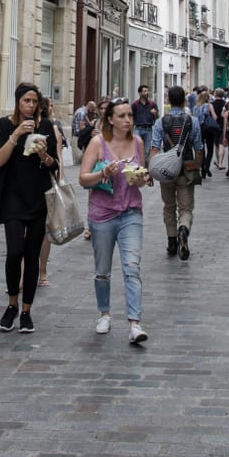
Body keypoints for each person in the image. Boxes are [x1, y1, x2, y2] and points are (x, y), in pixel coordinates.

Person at [79, 98, 151, 344]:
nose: (128, 120)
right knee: (102, 270)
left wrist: (141, 178)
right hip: (102, 213)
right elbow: (83, 179)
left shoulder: (138, 142)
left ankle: (135, 323)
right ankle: (104, 313)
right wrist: (103, 173)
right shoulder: (98, 143)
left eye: (130, 115)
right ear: (110, 119)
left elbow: (144, 176)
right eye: (122, 116)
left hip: (131, 211)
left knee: (132, 267)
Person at [0, 83, 59, 333]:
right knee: (14, 253)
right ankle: (11, 303)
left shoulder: (46, 127)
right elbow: (0, 160)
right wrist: (17, 134)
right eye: (26, 101)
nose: (30, 106)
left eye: (34, 101)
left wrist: (43, 155)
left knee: (32, 257)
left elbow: (54, 166)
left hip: (37, 198)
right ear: (18, 102)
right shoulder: (4, 125)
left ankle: (26, 310)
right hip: (12, 197)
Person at [149, 85, 203, 261]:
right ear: (184, 100)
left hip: (166, 169)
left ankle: (172, 241)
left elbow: (155, 148)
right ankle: (183, 230)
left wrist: (151, 171)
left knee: (169, 206)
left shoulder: (160, 122)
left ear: (168, 101)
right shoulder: (192, 121)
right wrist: (197, 165)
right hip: (186, 168)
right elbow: (199, 148)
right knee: (186, 208)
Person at [38, 97, 66, 287]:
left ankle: (42, 270)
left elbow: (58, 158)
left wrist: (59, 180)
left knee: (44, 230)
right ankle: (24, 271)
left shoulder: (51, 127)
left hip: (47, 182)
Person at [193, 89, 219, 178]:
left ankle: (203, 168)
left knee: (201, 149)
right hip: (208, 128)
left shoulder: (196, 107)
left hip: (199, 129)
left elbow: (194, 119)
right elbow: (215, 117)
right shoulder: (209, 105)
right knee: (210, 148)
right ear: (207, 98)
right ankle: (207, 167)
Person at [131, 85, 159, 164]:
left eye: (147, 91)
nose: (147, 93)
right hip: (138, 129)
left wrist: (155, 113)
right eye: (145, 91)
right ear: (140, 93)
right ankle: (137, 168)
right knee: (137, 150)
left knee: (146, 152)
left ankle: (145, 170)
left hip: (148, 130)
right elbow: (132, 119)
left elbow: (157, 117)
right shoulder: (135, 105)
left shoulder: (152, 104)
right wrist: (130, 132)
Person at [211, 88, 227, 169]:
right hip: (223, 126)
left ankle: (218, 162)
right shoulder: (225, 103)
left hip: (214, 126)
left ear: (215, 94)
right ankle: (220, 162)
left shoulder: (212, 104)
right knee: (222, 145)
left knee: (216, 145)